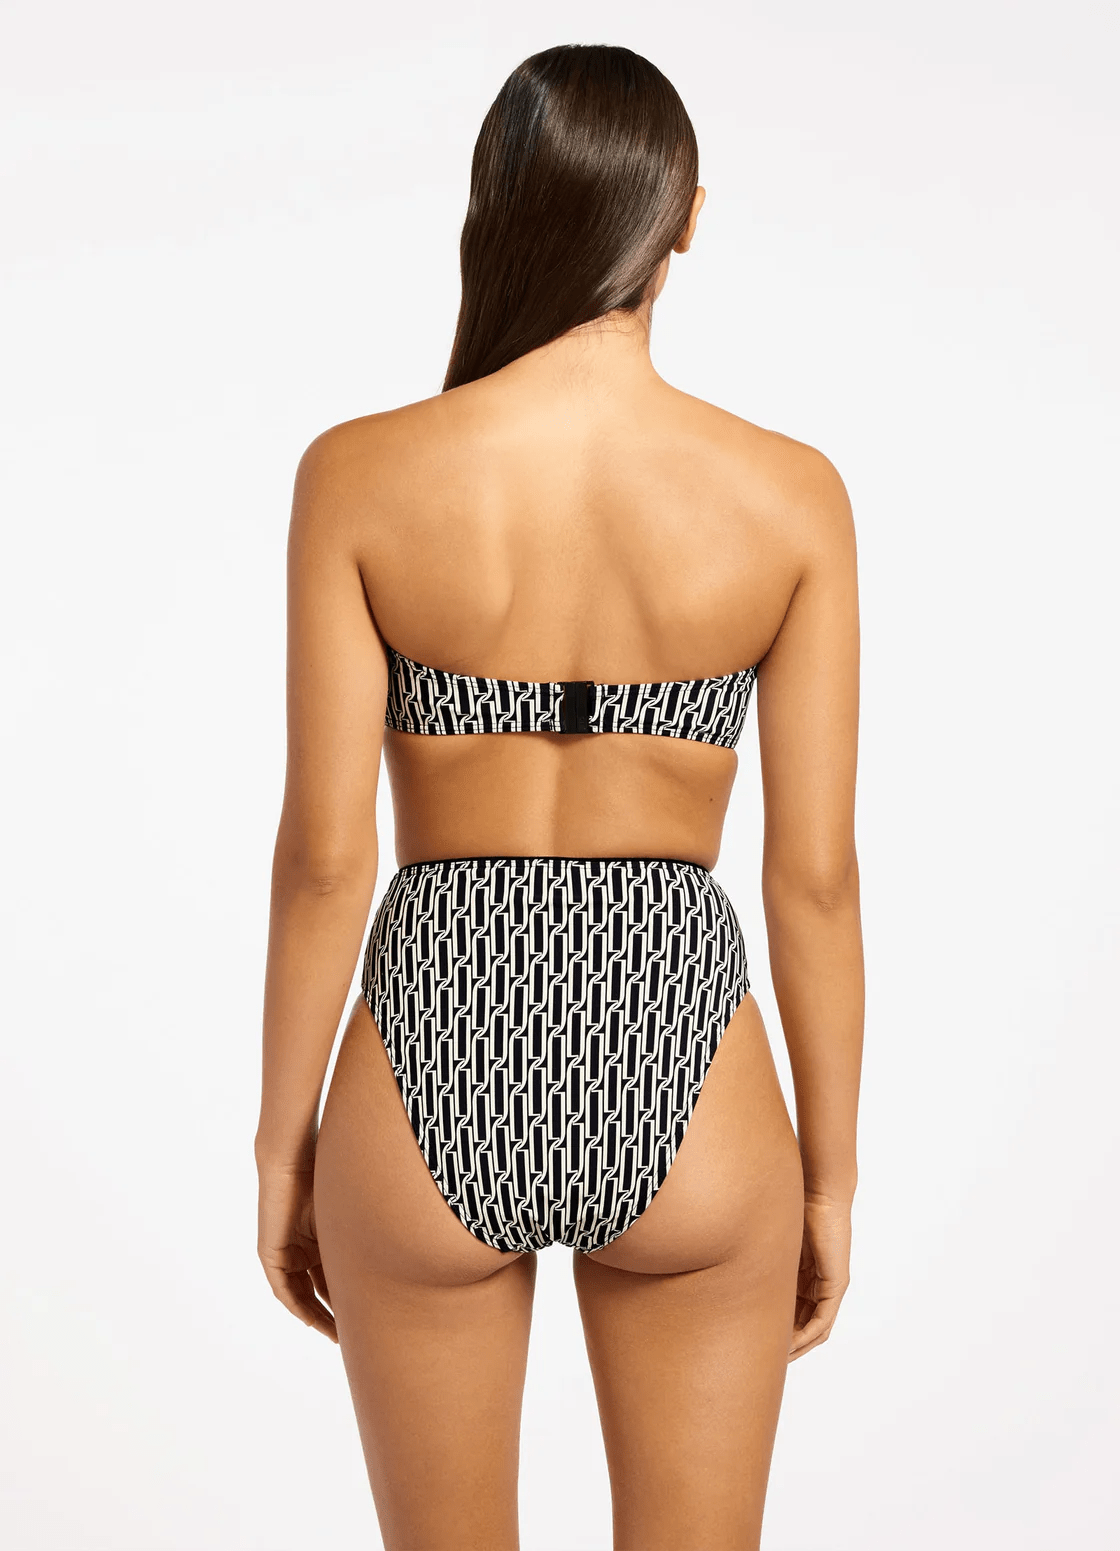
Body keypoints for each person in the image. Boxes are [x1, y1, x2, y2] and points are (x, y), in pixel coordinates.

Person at [255, 42, 863, 1551]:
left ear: (500, 206)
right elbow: (813, 881)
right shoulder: (789, 496)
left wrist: (282, 1147)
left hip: (430, 1042)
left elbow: (327, 860)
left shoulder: (361, 475)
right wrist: (833, 1180)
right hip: (681, 1045)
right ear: (686, 218)